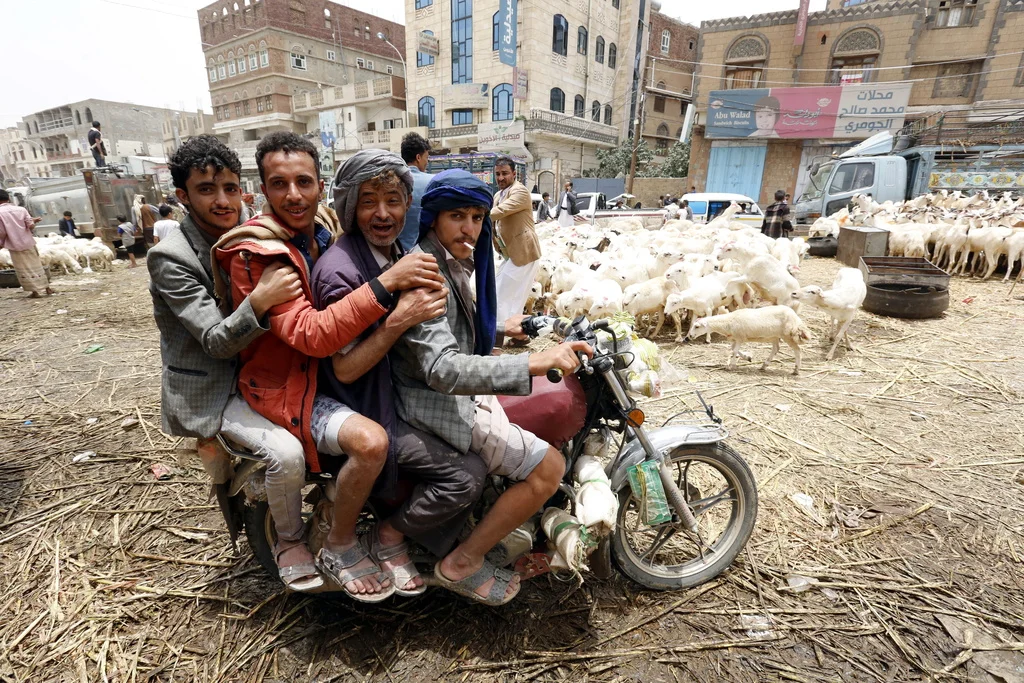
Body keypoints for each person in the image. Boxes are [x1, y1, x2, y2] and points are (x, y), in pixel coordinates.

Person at [213, 131, 411, 602]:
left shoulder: (318, 235)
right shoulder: (260, 254)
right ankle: (317, 542)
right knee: (369, 442)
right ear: (261, 191)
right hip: (284, 390)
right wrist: (387, 287)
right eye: (279, 184)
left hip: (317, 379)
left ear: (322, 186)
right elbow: (312, 335)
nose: (294, 195)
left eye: (304, 181)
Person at [390, 169, 593, 605]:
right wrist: (536, 362)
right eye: (457, 216)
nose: (469, 228)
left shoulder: (450, 261)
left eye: (478, 218)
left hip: (451, 391)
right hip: (436, 403)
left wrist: (504, 329)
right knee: (549, 468)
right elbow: (443, 367)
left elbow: (455, 331)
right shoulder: (427, 272)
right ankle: (463, 560)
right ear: (432, 219)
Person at [312, 149, 486, 599]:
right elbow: (346, 370)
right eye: (368, 201)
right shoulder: (341, 272)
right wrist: (400, 319)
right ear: (349, 207)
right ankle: (379, 538)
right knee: (466, 475)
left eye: (393, 199)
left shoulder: (392, 253)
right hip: (363, 405)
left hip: (394, 393)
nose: (383, 212)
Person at [147, 135, 316, 590]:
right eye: (206, 189)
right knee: (285, 454)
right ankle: (289, 540)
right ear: (182, 196)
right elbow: (216, 341)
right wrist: (260, 300)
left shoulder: (256, 228)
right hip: (218, 386)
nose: (223, 200)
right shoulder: (170, 257)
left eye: (229, 187)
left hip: (266, 371)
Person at [491, 155, 542, 324]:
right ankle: (513, 331)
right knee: (513, 296)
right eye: (497, 174)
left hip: (524, 252)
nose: (500, 178)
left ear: (514, 174)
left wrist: (476, 215)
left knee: (501, 292)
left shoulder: (520, 191)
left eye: (505, 173)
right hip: (510, 253)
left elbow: (500, 212)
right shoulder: (498, 194)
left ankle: (501, 331)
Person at [0, 189, 51, 298]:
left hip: (14, 245)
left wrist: (1, 243)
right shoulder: (21, 209)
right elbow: (30, 225)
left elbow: (2, 232)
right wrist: (34, 221)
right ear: (8, 198)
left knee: (23, 267)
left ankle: (35, 292)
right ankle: (47, 288)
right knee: (36, 264)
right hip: (28, 242)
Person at [398, 132, 434, 252]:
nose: (427, 162)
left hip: (395, 255)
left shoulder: (392, 183)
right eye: (426, 157)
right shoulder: (433, 183)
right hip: (425, 255)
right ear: (418, 157)